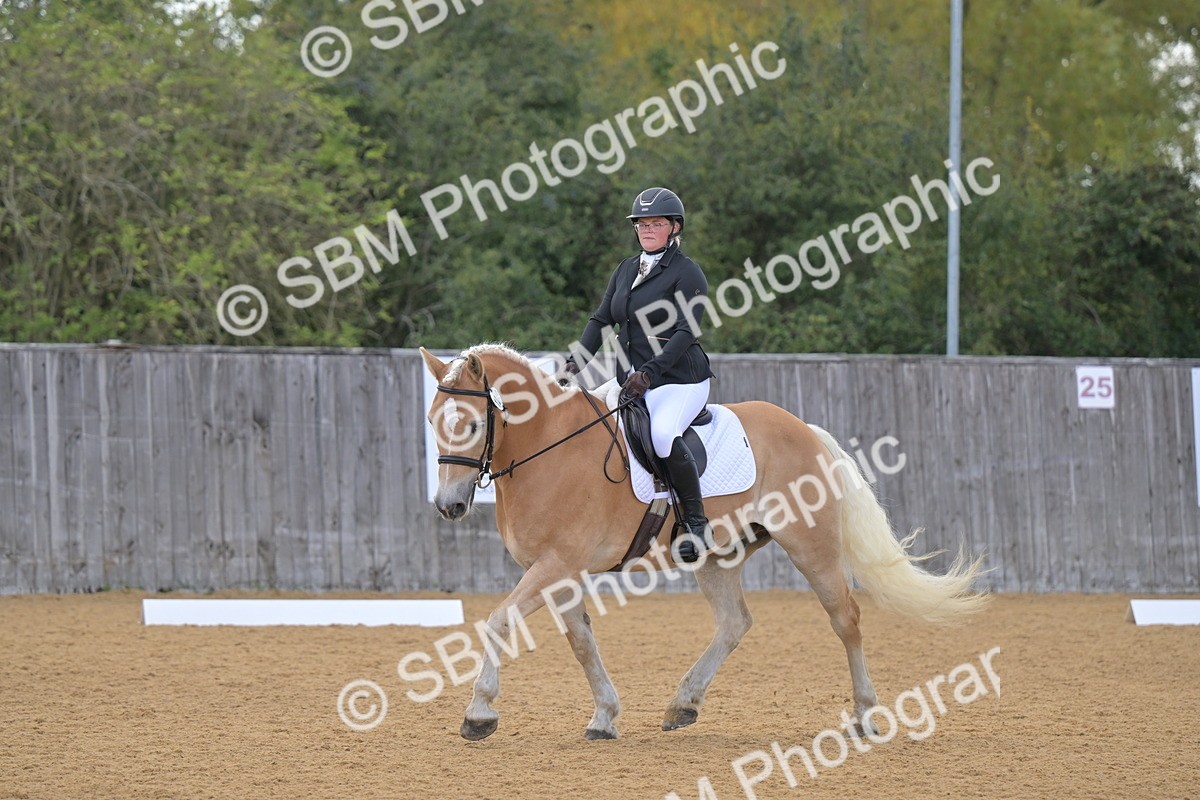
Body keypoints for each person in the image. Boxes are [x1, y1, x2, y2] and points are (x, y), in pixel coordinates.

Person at [564, 187, 715, 562]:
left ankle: (697, 525)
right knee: (585, 420)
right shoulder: (626, 269)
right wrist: (574, 363)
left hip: (679, 379)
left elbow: (685, 332)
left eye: (656, 223)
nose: (647, 229)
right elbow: (602, 319)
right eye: (642, 224)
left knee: (663, 435)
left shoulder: (687, 272)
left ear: (674, 227)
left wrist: (648, 372)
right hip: (630, 379)